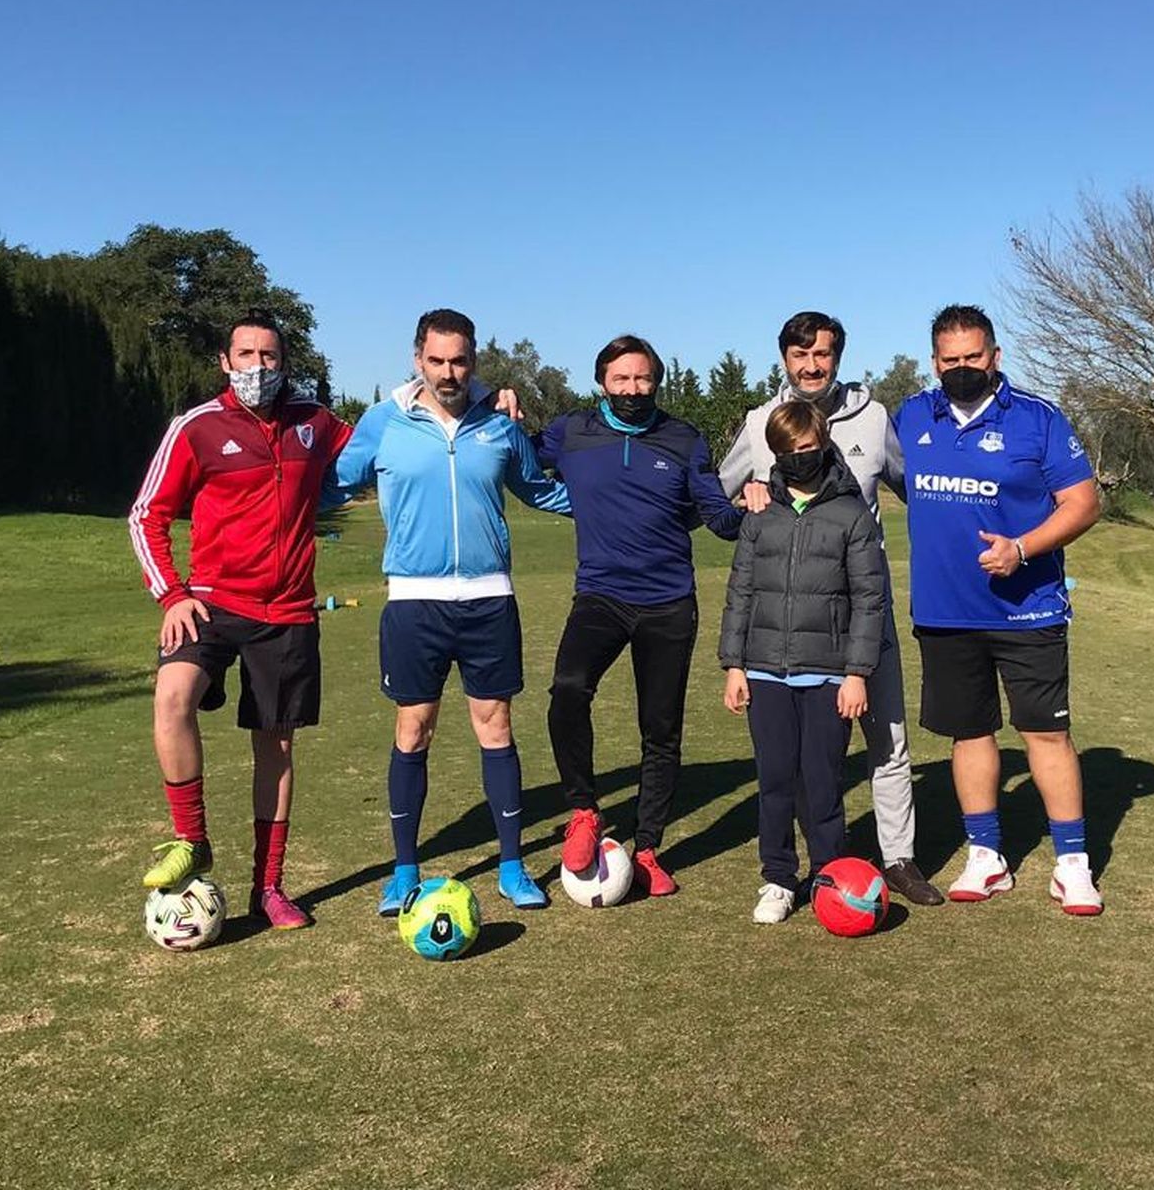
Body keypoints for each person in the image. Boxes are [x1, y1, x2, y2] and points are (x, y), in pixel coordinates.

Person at [333, 308, 570, 914]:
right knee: (413, 730)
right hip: (414, 602)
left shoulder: (498, 422)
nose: (447, 372)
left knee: (496, 727)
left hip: (489, 598)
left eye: (459, 361)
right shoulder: (383, 421)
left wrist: (620, 505)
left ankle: (513, 866)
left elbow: (540, 488)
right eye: (436, 360)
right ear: (417, 359)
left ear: (474, 361)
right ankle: (404, 869)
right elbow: (332, 482)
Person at [129, 309, 352, 929]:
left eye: (269, 355)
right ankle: (191, 841)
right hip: (210, 601)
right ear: (225, 362)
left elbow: (382, 444)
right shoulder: (196, 427)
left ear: (285, 362)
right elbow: (146, 515)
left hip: (287, 611)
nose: (258, 366)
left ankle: (269, 887)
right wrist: (172, 595)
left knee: (275, 747)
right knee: (172, 697)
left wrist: (480, 401)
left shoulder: (315, 422)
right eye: (246, 355)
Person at [718, 311, 943, 907]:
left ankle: (898, 859)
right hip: (787, 629)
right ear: (784, 359)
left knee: (887, 740)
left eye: (822, 354)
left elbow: (918, 493)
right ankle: (795, 868)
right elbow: (719, 500)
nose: (812, 365)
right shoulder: (760, 421)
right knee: (796, 763)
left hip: (865, 614)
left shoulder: (873, 417)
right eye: (800, 355)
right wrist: (746, 496)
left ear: (837, 357)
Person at [892, 304, 1104, 915]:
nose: (962, 368)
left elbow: (1083, 503)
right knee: (970, 733)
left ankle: (1072, 864)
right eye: (950, 360)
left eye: (973, 357)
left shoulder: (1038, 418)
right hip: (945, 613)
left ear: (995, 356)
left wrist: (1022, 548)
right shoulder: (911, 416)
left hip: (1027, 610)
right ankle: (986, 856)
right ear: (935, 363)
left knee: (1046, 732)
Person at [533, 336, 745, 895]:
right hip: (601, 595)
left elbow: (718, 518)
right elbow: (514, 456)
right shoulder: (570, 432)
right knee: (568, 690)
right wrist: (495, 405)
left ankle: (648, 849)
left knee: (661, 728)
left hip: (669, 602)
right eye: (621, 379)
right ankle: (584, 811)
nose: (633, 389)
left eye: (643, 378)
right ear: (602, 382)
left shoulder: (684, 439)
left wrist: (753, 507)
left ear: (657, 382)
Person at [719, 401, 885, 923]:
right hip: (764, 670)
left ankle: (830, 875)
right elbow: (741, 591)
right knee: (774, 780)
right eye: (787, 450)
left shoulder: (851, 513)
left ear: (824, 445)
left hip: (829, 673)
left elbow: (869, 599)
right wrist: (734, 665)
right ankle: (778, 877)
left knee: (822, 780)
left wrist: (856, 674)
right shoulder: (760, 513)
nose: (798, 457)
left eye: (807, 448)